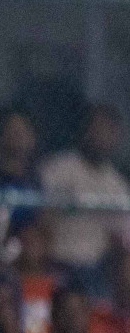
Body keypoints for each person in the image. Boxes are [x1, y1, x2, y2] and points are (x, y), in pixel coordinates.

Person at [39, 103, 130, 268]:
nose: (101, 136)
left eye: (108, 131)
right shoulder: (57, 169)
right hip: (57, 261)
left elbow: (121, 234)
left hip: (97, 267)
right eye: (97, 128)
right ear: (86, 130)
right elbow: (41, 217)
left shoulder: (118, 185)